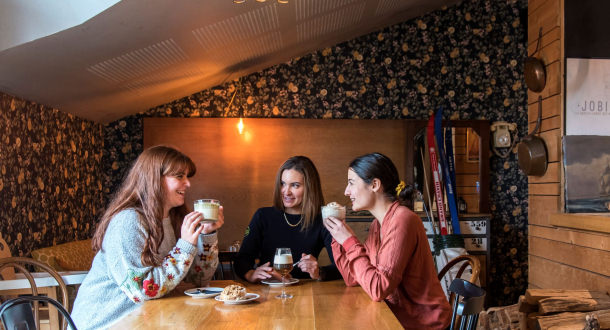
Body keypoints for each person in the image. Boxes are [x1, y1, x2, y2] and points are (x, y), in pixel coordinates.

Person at [71, 145, 224, 329]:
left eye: (186, 176)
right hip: (106, 323)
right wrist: (184, 246)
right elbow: (143, 290)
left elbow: (197, 280)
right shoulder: (128, 221)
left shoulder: (172, 219)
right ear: (155, 179)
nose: (188, 183)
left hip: (146, 320)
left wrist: (206, 235)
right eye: (179, 176)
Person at [323, 152, 451, 329]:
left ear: (375, 184)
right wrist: (338, 238)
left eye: (351, 183)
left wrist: (350, 241)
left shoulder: (403, 220)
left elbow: (378, 289)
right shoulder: (378, 224)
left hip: (423, 324)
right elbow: (353, 279)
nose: (346, 191)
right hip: (396, 317)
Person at [234, 156, 341, 282]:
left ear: (310, 188)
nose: (286, 192)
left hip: (306, 294)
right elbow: (242, 260)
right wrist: (250, 274)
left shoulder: (322, 220)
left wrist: (319, 272)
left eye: (295, 185)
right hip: (268, 290)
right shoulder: (262, 216)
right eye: (282, 184)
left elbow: (342, 267)